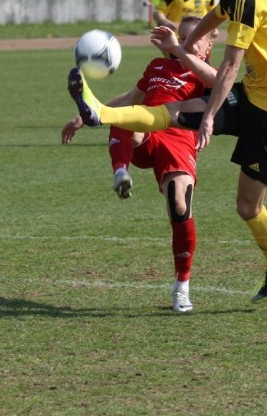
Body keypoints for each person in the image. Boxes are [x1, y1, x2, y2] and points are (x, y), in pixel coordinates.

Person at [68, 0, 267, 304]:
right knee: (178, 113)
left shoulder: (250, 2)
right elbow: (213, 17)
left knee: (248, 207)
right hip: (251, 95)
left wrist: (211, 115)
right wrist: (178, 48)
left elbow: (229, 66)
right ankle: (100, 112)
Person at [62, 16, 217, 313]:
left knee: (179, 207)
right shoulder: (158, 67)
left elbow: (218, 83)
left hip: (178, 140)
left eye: (195, 36)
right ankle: (120, 171)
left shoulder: (208, 73)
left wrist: (183, 53)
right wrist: (84, 116)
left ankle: (181, 286)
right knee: (125, 115)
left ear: (210, 44)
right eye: (183, 36)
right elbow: (132, 97)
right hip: (147, 133)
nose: (186, 41)